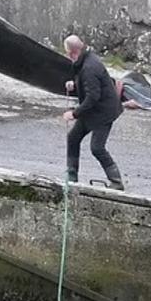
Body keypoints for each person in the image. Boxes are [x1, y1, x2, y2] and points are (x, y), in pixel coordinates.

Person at [62, 35, 128, 190]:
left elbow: (93, 97)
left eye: (67, 53)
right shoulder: (86, 59)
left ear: (72, 53)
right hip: (93, 110)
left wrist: (74, 113)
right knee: (73, 138)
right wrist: (75, 84)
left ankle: (116, 181)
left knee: (97, 148)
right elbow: (90, 85)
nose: (67, 56)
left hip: (104, 112)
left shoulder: (89, 67)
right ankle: (71, 176)